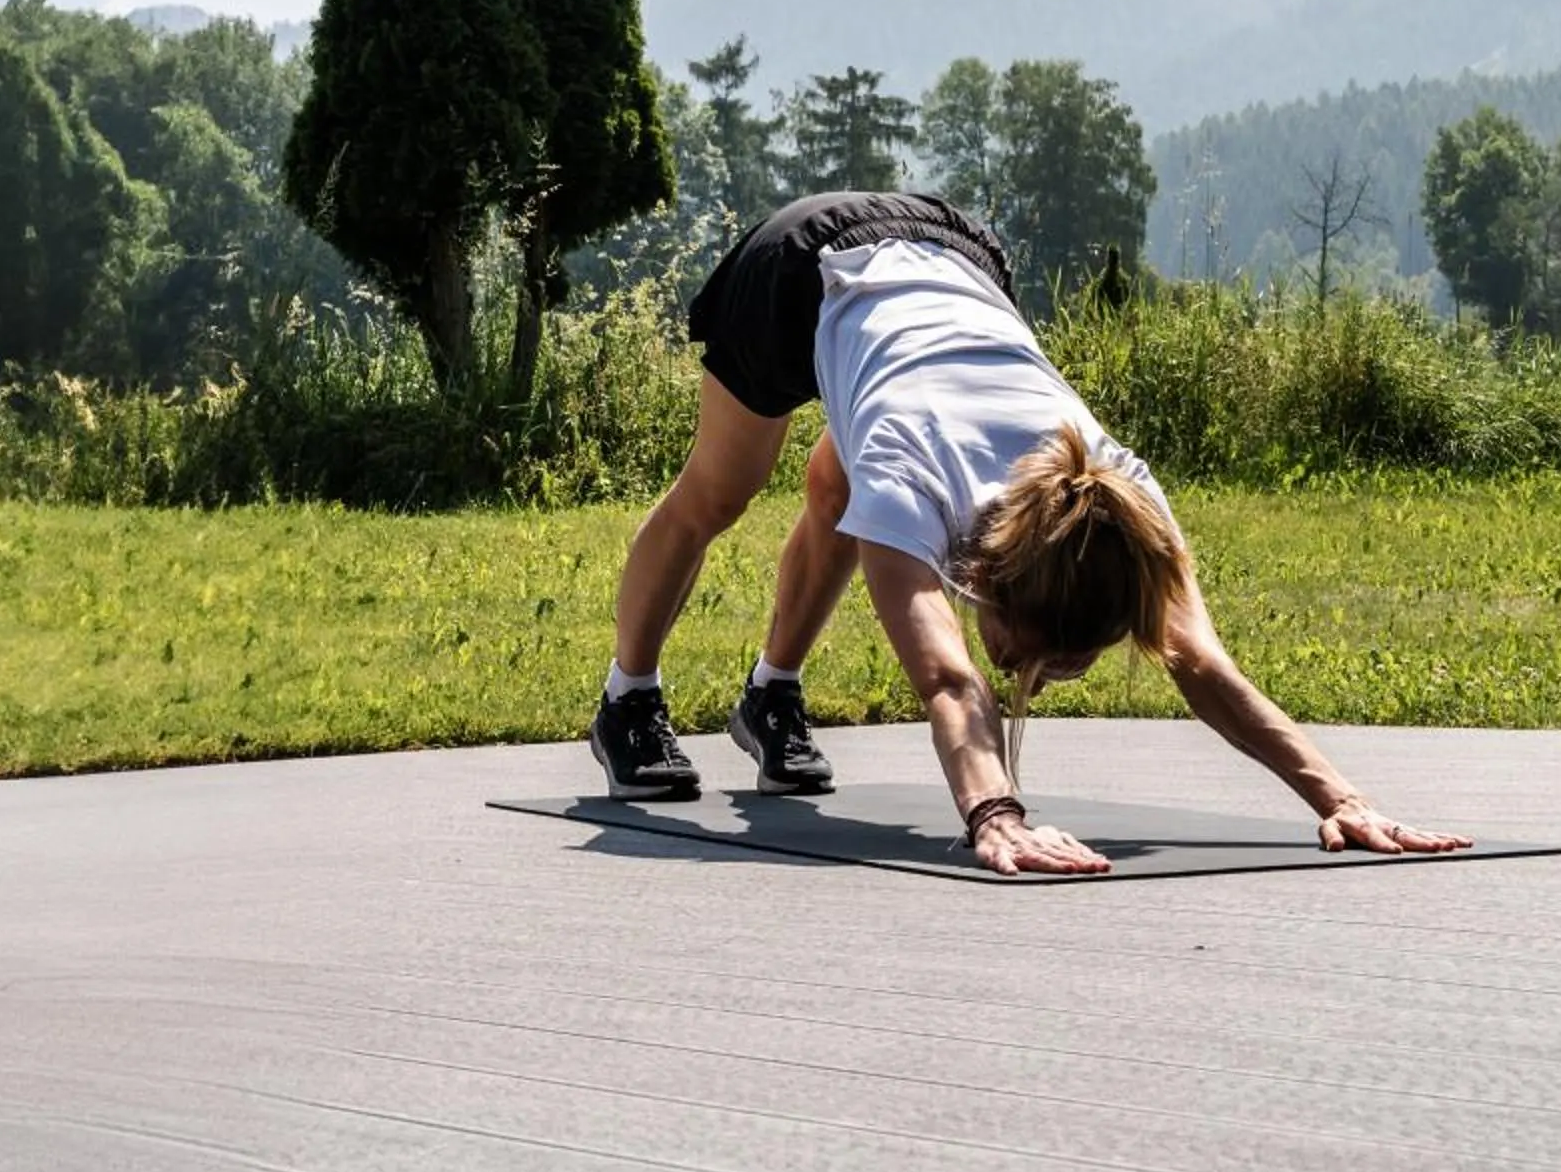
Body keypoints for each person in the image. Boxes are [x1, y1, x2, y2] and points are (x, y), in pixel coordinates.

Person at [590, 188, 1469, 877]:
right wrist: (993, 815)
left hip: (953, 254)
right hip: (807, 268)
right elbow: (946, 675)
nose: (1036, 684)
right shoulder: (911, 478)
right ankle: (627, 700)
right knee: (724, 492)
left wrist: (1341, 796)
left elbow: (1205, 663)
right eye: (1033, 661)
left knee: (837, 485)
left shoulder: (1119, 500)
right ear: (996, 582)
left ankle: (768, 696)